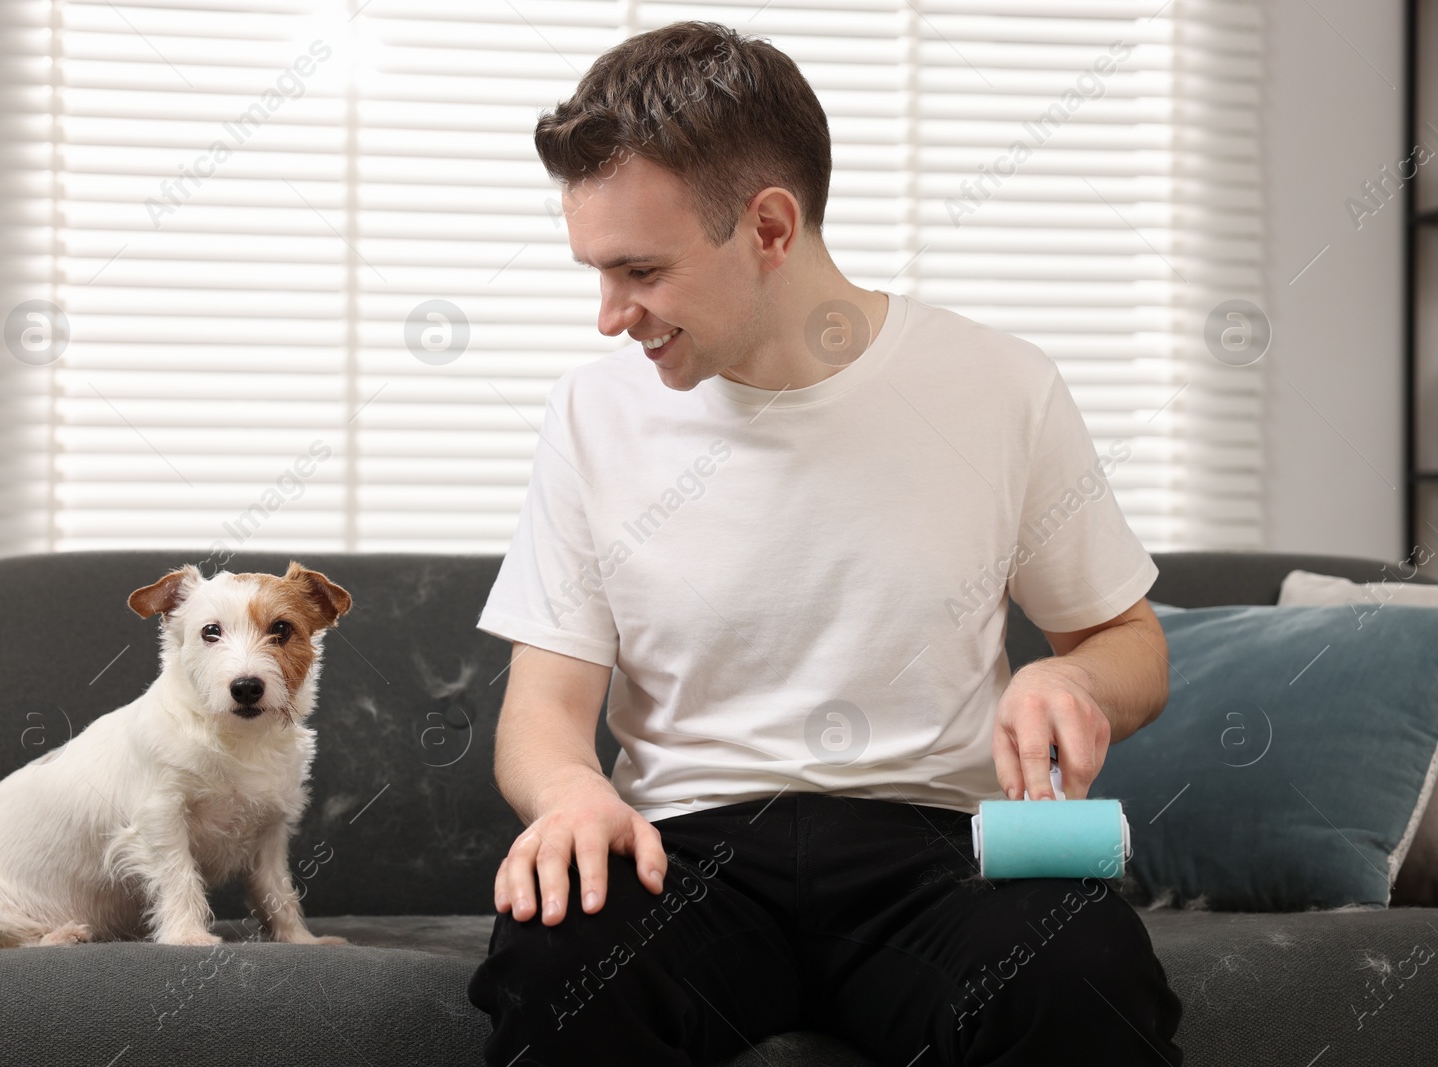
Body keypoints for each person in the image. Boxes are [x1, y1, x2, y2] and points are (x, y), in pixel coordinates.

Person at [465, 19, 1184, 1067]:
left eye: (640, 271)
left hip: (936, 855)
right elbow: (543, 706)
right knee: (557, 958)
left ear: (767, 227)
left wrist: (1073, 677)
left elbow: (1129, 639)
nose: (610, 315)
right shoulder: (591, 412)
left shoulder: (998, 385)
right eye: (597, 271)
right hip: (684, 855)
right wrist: (572, 790)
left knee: (1081, 972)